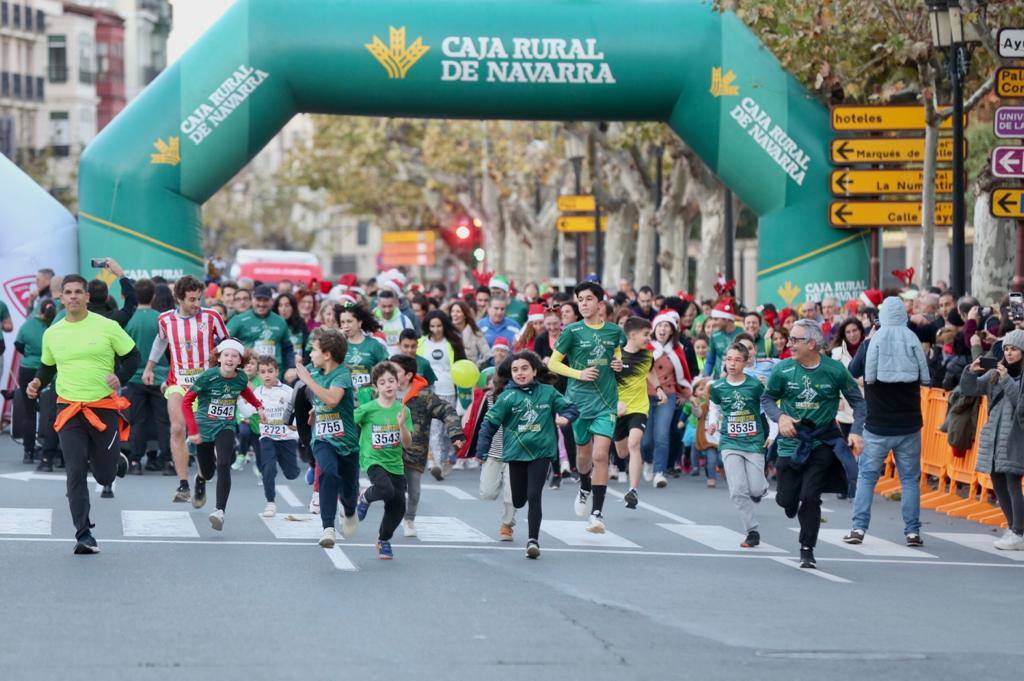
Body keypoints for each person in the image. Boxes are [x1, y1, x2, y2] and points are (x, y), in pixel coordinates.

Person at [26, 275, 138, 555]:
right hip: (69, 409)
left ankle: (115, 464)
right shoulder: (53, 332)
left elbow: (133, 356)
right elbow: (47, 366)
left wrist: (119, 377)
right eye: (68, 292)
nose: (73, 296)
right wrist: (37, 382)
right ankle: (83, 533)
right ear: (61, 298)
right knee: (75, 469)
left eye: (79, 292)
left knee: (103, 476)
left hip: (103, 407)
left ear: (87, 297)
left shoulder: (108, 326)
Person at [760, 319, 865, 569]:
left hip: (822, 441)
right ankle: (789, 500)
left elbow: (859, 403)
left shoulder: (835, 370)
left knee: (810, 496)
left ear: (812, 344)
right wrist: (781, 417)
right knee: (787, 499)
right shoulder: (783, 369)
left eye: (795, 340)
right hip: (790, 443)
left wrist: (857, 432)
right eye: (790, 339)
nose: (789, 344)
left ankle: (807, 548)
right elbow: (767, 399)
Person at [842, 297, 930, 547]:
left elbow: (853, 372)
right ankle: (912, 532)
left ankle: (858, 528)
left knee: (867, 478)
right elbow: (926, 375)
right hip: (909, 423)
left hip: (877, 424)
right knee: (910, 480)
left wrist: (867, 342)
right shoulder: (912, 339)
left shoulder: (872, 343)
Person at [476, 351, 579, 558]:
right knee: (519, 499)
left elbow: (571, 408)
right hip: (515, 454)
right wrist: (482, 450)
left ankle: (533, 541)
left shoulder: (548, 392)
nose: (520, 373)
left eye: (524, 369)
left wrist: (566, 418)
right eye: (515, 370)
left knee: (534, 496)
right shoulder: (506, 396)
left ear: (534, 370)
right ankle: (519, 508)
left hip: (541, 452)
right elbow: (489, 424)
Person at [548, 281, 626, 534]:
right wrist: (579, 373)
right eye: (580, 299)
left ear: (600, 304)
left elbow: (617, 358)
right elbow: (553, 364)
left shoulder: (614, 332)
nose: (583, 303)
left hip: (606, 403)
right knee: (583, 456)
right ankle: (584, 486)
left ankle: (597, 513)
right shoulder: (571, 331)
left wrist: (618, 365)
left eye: (589, 299)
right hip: (579, 402)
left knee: (600, 455)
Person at [143, 275, 229, 503]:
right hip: (178, 383)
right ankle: (183, 484)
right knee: (177, 428)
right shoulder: (165, 320)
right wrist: (149, 367)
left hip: (207, 385)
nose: (196, 304)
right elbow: (160, 342)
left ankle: (201, 478)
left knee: (204, 438)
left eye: (199, 298)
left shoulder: (212, 317)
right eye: (191, 299)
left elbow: (227, 344)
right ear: (179, 298)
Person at [182, 339, 265, 531]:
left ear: (240, 361)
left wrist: (258, 406)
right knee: (209, 471)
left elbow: (245, 392)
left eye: (234, 356)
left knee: (224, 463)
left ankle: (219, 511)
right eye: (226, 355)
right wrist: (193, 431)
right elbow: (186, 403)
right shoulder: (207, 377)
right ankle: (201, 478)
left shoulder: (241, 378)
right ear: (218, 358)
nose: (230, 359)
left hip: (225, 426)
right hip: (203, 427)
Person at [958, 329, 1024, 550]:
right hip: (995, 436)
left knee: (1013, 482)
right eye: (1006, 349)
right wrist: (970, 371)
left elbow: (1019, 404)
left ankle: (1019, 531)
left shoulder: (1012, 376)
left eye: (1014, 349)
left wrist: (1006, 378)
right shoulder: (996, 372)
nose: (1009, 352)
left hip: (1015, 437)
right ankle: (1014, 527)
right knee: (997, 482)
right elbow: (970, 389)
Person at [295, 328, 360, 549]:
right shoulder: (314, 372)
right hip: (322, 438)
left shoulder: (342, 374)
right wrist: (315, 411)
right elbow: (319, 401)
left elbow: (332, 399)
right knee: (328, 472)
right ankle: (328, 528)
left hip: (348, 442)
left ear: (327, 354)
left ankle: (350, 511)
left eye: (313, 350)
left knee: (350, 489)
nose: (310, 354)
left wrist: (307, 380)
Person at [389, 354, 464, 537]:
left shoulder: (424, 396)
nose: (390, 375)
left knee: (413, 491)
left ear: (408, 375)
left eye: (395, 371)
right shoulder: (383, 392)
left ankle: (409, 519)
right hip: (388, 452)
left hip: (415, 452)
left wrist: (455, 433)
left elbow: (447, 410)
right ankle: (388, 517)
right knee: (391, 490)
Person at [709, 344, 769, 548]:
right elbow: (714, 406)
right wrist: (713, 422)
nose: (732, 363)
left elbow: (768, 406)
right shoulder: (718, 387)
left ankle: (762, 486)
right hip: (730, 442)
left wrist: (775, 433)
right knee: (737, 490)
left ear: (745, 363)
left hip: (753, 442)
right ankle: (752, 531)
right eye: (729, 359)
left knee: (756, 488)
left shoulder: (754, 385)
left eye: (737, 360)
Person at [353, 362, 413, 559]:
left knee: (398, 506)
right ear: (375, 387)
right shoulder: (367, 409)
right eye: (382, 382)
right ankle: (365, 497)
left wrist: (402, 425)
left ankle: (383, 540)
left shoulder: (403, 410)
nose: (387, 385)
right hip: (372, 459)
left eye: (391, 381)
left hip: (395, 463)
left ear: (398, 384)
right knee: (385, 489)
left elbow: (407, 444)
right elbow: (349, 422)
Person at [123, 279, 171, 475]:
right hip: (160, 376)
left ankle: (135, 461)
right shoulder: (161, 319)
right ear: (153, 296)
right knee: (163, 421)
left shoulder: (130, 321)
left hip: (135, 378)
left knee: (138, 421)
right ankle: (168, 461)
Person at [614, 317, 663, 509]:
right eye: (645, 334)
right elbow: (605, 383)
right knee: (622, 451)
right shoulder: (615, 356)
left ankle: (633, 490)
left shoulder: (648, 355)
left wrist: (658, 388)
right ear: (632, 335)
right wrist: (615, 402)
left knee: (634, 444)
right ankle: (626, 467)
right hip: (618, 410)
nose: (648, 338)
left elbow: (650, 372)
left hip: (639, 408)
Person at [643, 311, 691, 487]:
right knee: (646, 440)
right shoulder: (646, 348)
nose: (663, 329)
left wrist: (686, 394)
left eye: (667, 326)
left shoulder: (678, 351)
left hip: (668, 396)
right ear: (654, 328)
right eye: (660, 325)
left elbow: (683, 375)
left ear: (672, 331)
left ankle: (659, 472)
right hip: (645, 395)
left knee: (662, 435)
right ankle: (647, 460)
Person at [419, 310, 467, 478]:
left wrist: (462, 397)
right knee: (434, 429)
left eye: (439, 326)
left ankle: (445, 459)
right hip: (429, 391)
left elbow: (463, 369)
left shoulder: (453, 342)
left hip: (449, 391)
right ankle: (435, 463)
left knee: (447, 430)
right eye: (432, 326)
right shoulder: (421, 343)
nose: (436, 329)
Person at [250, 356, 299, 517]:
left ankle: (291, 466)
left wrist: (298, 428)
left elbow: (297, 411)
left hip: (287, 437)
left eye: (270, 371)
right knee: (268, 469)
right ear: (258, 374)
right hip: (267, 436)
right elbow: (249, 410)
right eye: (263, 372)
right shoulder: (257, 393)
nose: (267, 375)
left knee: (292, 474)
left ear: (277, 371)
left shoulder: (288, 392)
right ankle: (270, 502)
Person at [14, 299, 56, 464]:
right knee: (53, 413)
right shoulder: (55, 326)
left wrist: (30, 355)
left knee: (29, 412)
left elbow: (19, 345)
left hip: (27, 369)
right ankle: (53, 453)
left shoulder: (27, 326)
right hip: (49, 371)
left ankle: (28, 452)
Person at [227, 284, 295, 380]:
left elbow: (288, 348)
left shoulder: (280, 321)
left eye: (265, 300)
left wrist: (291, 367)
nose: (261, 304)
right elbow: (225, 342)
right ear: (252, 300)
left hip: (274, 375)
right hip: (248, 375)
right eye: (259, 299)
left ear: (272, 301)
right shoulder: (239, 319)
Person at [338, 303, 389, 404]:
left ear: (359, 323)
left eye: (349, 321)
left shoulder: (374, 344)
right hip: (346, 398)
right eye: (342, 322)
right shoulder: (339, 346)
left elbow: (387, 370)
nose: (345, 326)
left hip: (370, 399)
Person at [702, 298, 742, 378]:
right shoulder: (714, 336)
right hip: (719, 379)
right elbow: (710, 361)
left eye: (716, 319)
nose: (713, 322)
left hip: (738, 379)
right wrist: (706, 376)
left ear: (726, 319)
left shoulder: (742, 333)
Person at [448, 299, 491, 367]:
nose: (454, 314)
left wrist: (476, 365)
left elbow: (487, 354)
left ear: (465, 315)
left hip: (470, 371)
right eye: (452, 311)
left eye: (458, 311)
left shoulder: (475, 332)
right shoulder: (447, 332)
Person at [374, 288, 416, 355]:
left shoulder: (404, 320)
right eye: (384, 306)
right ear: (378, 305)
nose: (387, 310)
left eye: (390, 306)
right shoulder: (372, 320)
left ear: (395, 304)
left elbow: (413, 342)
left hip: (399, 361)